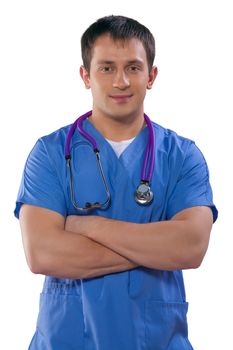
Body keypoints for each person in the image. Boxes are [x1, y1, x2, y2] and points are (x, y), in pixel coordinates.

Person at [15, 15, 218, 350]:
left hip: (156, 341)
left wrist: (88, 226)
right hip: (67, 341)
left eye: (133, 68)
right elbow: (42, 253)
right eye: (106, 68)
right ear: (86, 76)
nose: (121, 81)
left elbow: (191, 247)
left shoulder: (182, 156)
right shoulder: (50, 154)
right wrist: (156, 248)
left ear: (151, 76)